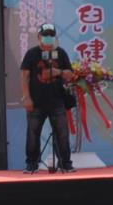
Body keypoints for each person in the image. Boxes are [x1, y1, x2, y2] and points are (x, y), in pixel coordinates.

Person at [18, 24, 75, 173]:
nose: (48, 37)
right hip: (36, 102)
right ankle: (31, 164)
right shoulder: (31, 53)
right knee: (33, 134)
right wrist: (27, 98)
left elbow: (70, 75)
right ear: (39, 37)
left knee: (62, 134)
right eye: (45, 35)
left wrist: (59, 72)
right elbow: (24, 77)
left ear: (55, 37)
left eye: (51, 35)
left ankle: (65, 163)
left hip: (57, 101)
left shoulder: (61, 53)